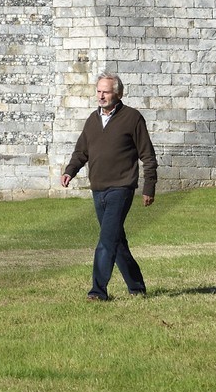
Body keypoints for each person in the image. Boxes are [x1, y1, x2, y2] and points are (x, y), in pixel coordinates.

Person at [59, 72, 156, 300]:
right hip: (98, 189)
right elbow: (81, 151)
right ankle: (137, 287)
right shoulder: (92, 120)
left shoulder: (132, 118)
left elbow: (148, 155)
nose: (101, 96)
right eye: (99, 91)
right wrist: (69, 171)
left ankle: (98, 291)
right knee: (116, 240)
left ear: (118, 94)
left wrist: (149, 186)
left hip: (121, 188)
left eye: (106, 92)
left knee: (106, 240)